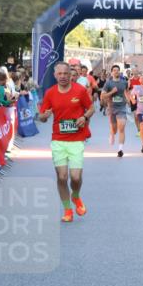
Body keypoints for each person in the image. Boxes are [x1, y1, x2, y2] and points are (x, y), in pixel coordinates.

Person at [37, 62, 94, 222]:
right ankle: (68, 209)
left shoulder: (80, 90)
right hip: (58, 140)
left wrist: (84, 117)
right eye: (59, 74)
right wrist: (44, 116)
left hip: (76, 139)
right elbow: (41, 117)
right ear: (55, 76)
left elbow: (91, 108)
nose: (62, 76)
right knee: (62, 177)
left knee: (75, 177)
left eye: (65, 74)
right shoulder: (50, 93)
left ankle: (76, 196)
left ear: (70, 75)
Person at [101, 65, 130, 157]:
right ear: (112, 72)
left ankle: (120, 149)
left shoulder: (124, 82)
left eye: (118, 70)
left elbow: (126, 92)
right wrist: (112, 92)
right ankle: (112, 133)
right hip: (112, 108)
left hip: (122, 108)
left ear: (119, 72)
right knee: (114, 129)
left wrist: (129, 100)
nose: (116, 72)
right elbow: (103, 96)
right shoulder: (108, 83)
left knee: (121, 128)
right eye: (114, 70)